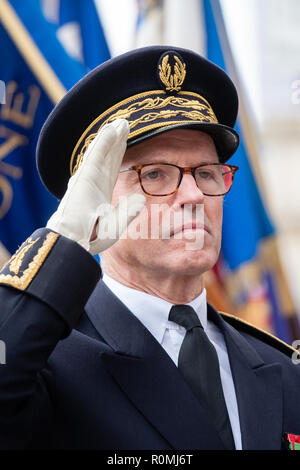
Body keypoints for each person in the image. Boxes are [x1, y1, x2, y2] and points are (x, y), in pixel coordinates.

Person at [0, 46, 299, 451]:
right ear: (96, 200)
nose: (193, 194)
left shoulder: (282, 368)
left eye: (208, 173)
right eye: (155, 174)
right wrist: (63, 242)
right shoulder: (46, 358)